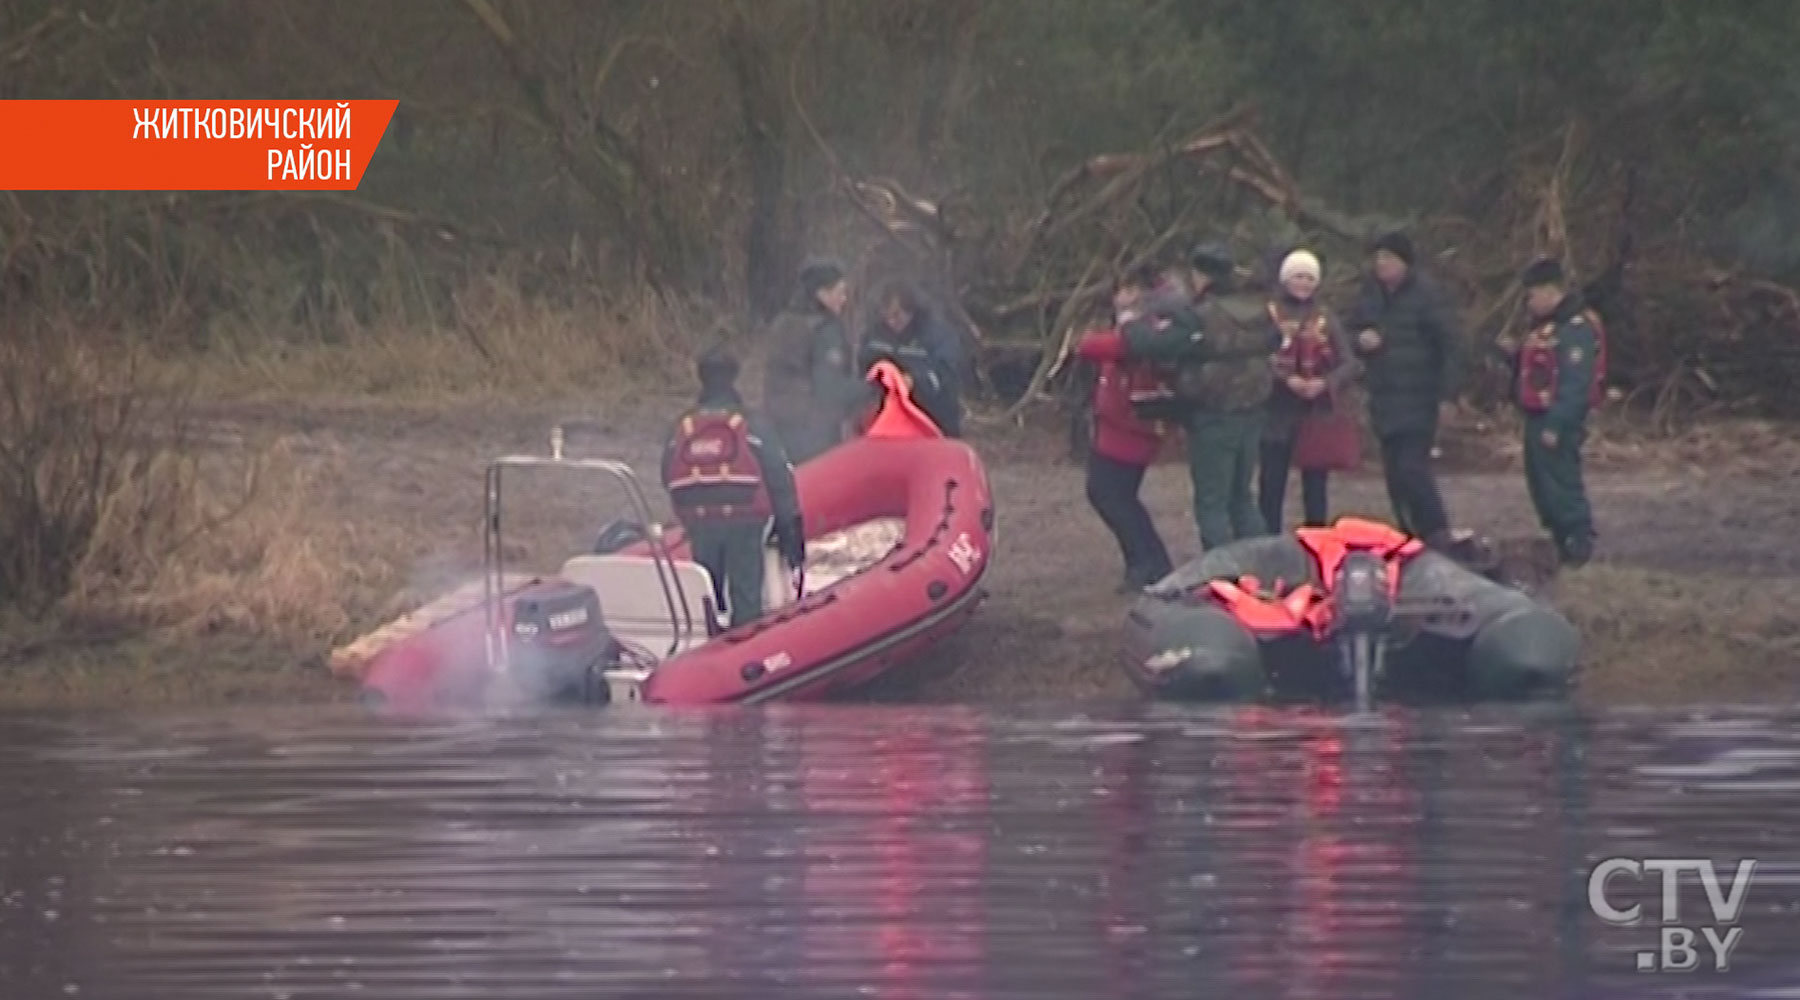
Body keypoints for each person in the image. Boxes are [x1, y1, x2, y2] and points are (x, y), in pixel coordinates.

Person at [1120, 244, 1279, 550]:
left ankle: (1223, 577)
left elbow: (1156, 345)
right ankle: (1263, 569)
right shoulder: (1258, 309)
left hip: (1214, 416)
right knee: (1242, 499)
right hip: (1253, 412)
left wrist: (1130, 323)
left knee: (1212, 503)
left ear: (1201, 275)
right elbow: (1275, 341)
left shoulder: (1201, 315)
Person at [662, 346, 806, 627]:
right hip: (745, 517)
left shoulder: (682, 425)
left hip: (699, 517)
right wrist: (791, 538)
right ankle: (744, 643)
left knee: (705, 593)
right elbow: (780, 480)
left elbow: (666, 474)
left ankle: (706, 645)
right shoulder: (753, 424)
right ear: (734, 377)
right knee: (746, 596)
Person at [1345, 230, 1469, 553]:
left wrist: (1448, 394)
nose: (1381, 263)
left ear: (1404, 262)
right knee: (1394, 476)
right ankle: (1408, 537)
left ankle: (1437, 532)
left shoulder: (1426, 295)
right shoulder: (1370, 294)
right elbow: (1348, 330)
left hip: (1419, 397)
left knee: (1412, 469)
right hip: (1384, 398)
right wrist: (1360, 341)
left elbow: (1451, 345)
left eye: (1388, 257)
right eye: (1378, 258)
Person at [1072, 265, 1178, 592]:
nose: (1123, 296)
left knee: (1111, 495)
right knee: (1116, 496)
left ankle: (1150, 563)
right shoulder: (1138, 325)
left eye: (1131, 289)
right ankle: (1144, 562)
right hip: (1116, 423)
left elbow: (1094, 347)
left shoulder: (1147, 328)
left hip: (1132, 424)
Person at [1501, 256, 1605, 567]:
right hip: (1536, 416)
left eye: (1531, 295)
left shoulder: (1575, 329)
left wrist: (1557, 423)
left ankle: (1577, 539)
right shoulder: (1547, 327)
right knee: (1541, 482)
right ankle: (1558, 537)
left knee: (1561, 480)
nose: (1528, 303)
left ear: (1549, 291)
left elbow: (1575, 382)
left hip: (1556, 419)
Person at [1258, 248, 1362, 530]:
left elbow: (1349, 362)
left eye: (1309, 278)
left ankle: (1317, 540)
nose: (1303, 283)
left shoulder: (1326, 317)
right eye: (1297, 277)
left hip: (1315, 412)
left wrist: (1325, 384)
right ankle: (1269, 541)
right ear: (1285, 280)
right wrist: (1285, 379)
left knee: (1315, 486)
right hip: (1277, 411)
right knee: (1271, 484)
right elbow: (1257, 357)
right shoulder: (1269, 314)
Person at [760, 257, 875, 464]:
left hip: (778, 424)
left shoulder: (783, 322)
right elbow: (830, 388)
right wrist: (872, 388)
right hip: (813, 433)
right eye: (840, 292)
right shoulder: (825, 330)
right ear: (822, 294)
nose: (844, 299)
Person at [858, 279, 965, 436]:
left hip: (932, 418)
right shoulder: (875, 335)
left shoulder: (937, 336)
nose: (892, 321)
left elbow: (945, 374)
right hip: (888, 421)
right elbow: (865, 367)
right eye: (886, 315)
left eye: (897, 315)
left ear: (911, 311)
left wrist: (913, 381)